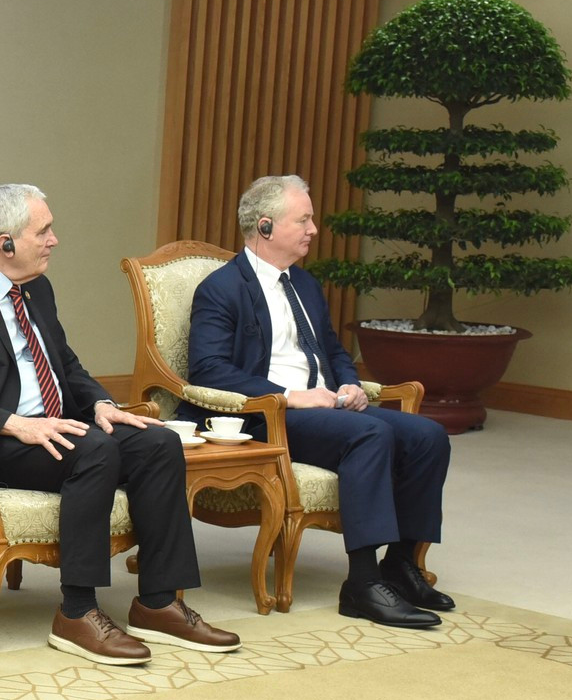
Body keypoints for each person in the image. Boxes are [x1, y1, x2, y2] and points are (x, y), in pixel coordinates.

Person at [0, 184, 239, 664]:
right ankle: (78, 612)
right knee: (96, 451)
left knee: (159, 442)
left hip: (54, 429)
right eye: (43, 231)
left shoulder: (36, 288)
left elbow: (65, 362)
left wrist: (100, 403)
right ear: (6, 243)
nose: (54, 240)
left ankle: (160, 601)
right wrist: (12, 423)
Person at [184, 174, 451, 629]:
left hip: (329, 407)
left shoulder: (304, 285)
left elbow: (331, 350)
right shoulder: (222, 288)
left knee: (428, 435)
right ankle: (362, 585)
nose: (313, 229)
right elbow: (208, 369)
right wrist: (290, 397)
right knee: (371, 433)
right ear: (265, 227)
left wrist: (348, 384)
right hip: (270, 416)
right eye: (303, 219)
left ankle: (401, 564)